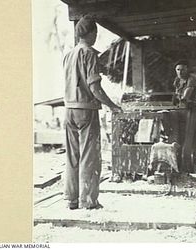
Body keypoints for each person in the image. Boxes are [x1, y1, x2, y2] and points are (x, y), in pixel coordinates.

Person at [63, 16, 122, 210]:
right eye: (95, 33)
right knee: (90, 156)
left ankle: (72, 199)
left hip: (69, 110)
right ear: (90, 33)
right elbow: (94, 88)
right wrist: (113, 105)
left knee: (72, 157)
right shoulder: (89, 54)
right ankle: (88, 201)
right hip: (86, 111)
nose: (96, 36)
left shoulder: (69, 54)